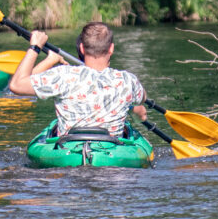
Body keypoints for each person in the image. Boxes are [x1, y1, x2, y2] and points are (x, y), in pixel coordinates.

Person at [8, 21, 147, 137]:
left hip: (69, 152)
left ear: (81, 48)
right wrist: (132, 108)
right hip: (111, 156)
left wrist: (35, 46)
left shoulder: (63, 75)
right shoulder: (128, 80)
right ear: (111, 49)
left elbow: (16, 85)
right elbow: (142, 100)